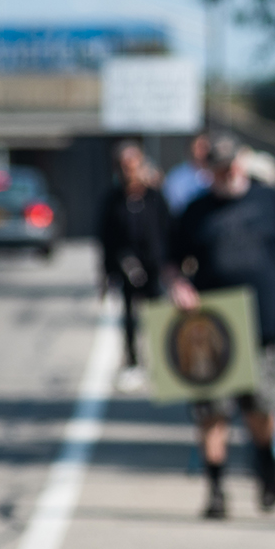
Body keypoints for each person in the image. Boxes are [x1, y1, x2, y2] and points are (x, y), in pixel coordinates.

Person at [165, 135, 275, 519]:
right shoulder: (195, 210)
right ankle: (216, 490)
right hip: (212, 328)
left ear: (242, 161)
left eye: (231, 165)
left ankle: (266, 469)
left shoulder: (269, 199)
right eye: (218, 168)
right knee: (212, 413)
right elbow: (172, 264)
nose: (227, 173)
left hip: (260, 325)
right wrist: (178, 287)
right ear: (208, 170)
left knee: (259, 410)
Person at [97, 140, 170, 389]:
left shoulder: (155, 197)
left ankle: (163, 365)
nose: (130, 170)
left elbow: (168, 229)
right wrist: (106, 275)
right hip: (126, 268)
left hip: (155, 267)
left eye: (134, 165)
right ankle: (132, 363)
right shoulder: (112, 200)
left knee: (159, 316)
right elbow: (105, 240)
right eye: (124, 166)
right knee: (129, 318)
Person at [163, 132, 213, 213]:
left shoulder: (216, 175)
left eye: (205, 147)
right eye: (198, 146)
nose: (202, 151)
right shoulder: (177, 176)